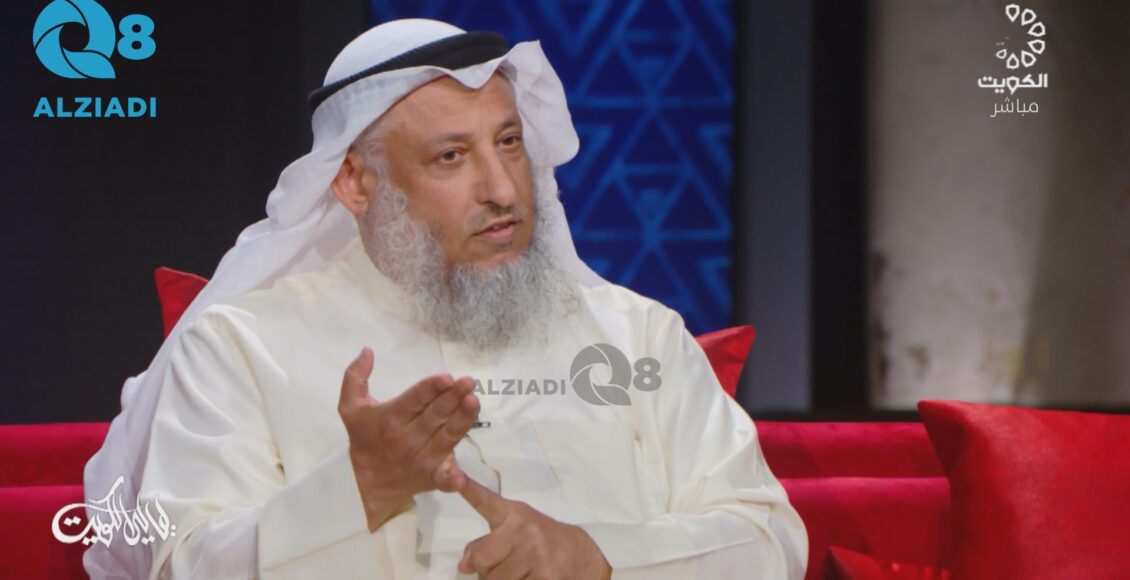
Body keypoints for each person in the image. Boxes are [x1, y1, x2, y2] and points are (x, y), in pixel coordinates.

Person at [83, 18, 807, 580]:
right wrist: (360, 487)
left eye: (510, 142)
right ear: (355, 184)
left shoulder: (636, 335)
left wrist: (598, 557)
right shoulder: (242, 348)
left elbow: (769, 540)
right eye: (451, 157)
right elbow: (181, 563)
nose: (502, 189)